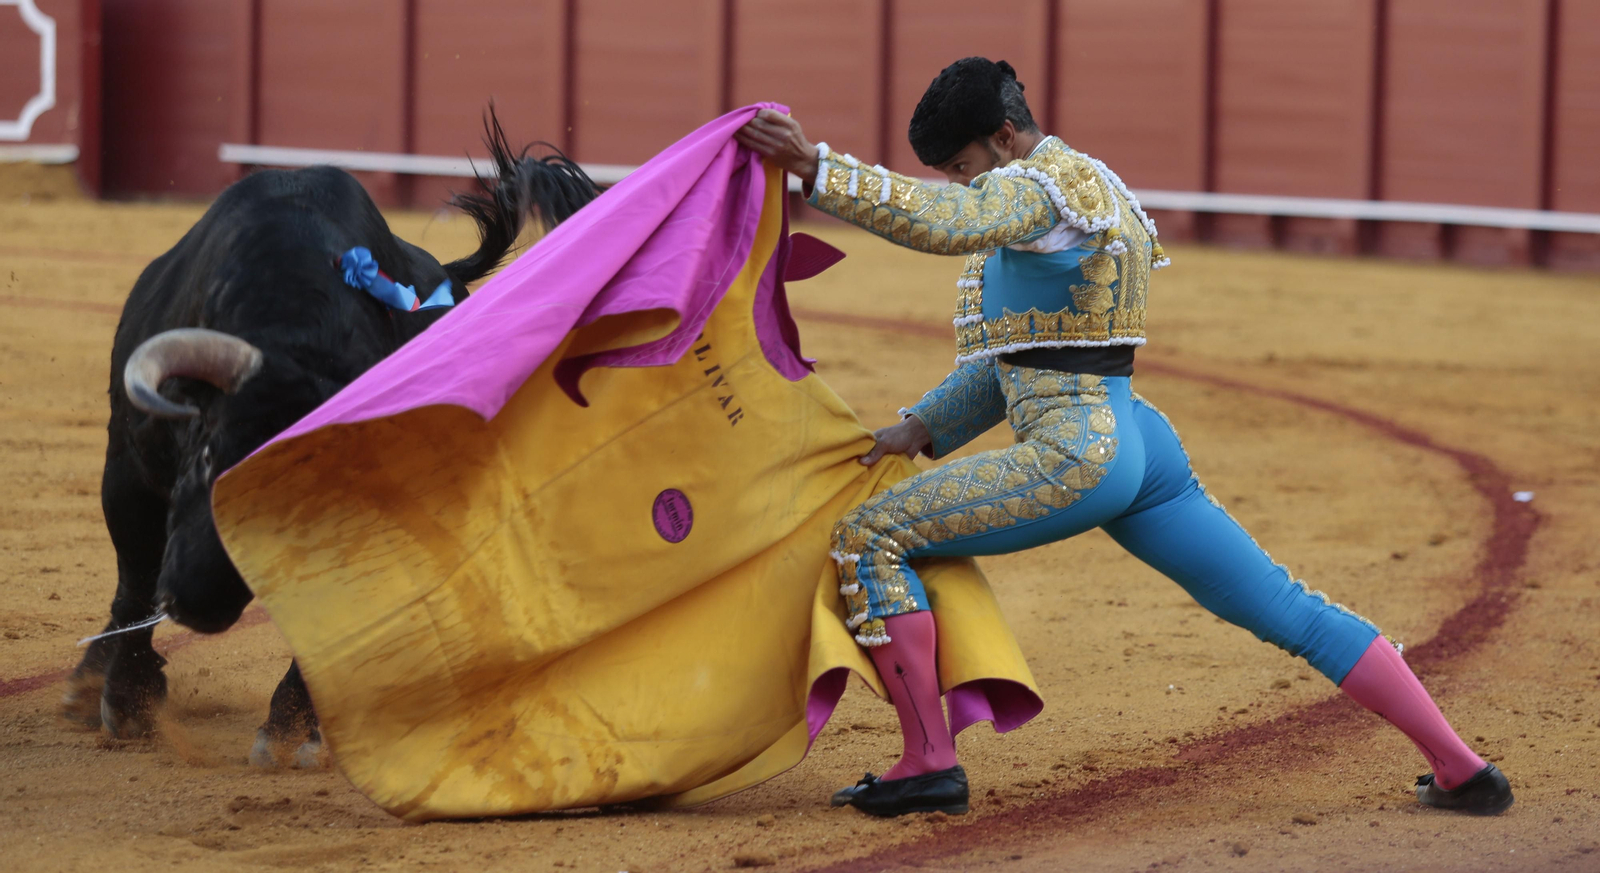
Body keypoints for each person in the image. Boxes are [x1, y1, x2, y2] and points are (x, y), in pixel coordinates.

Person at [735, 57, 1512, 819]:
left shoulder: (1032, 189)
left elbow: (945, 224)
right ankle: (1459, 765)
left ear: (1005, 137)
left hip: (1076, 452)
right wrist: (922, 425)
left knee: (872, 533)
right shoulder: (1086, 183)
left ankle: (928, 762)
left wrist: (816, 168)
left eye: (964, 165)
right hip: (1136, 439)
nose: (962, 185)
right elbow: (1030, 355)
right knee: (1286, 605)